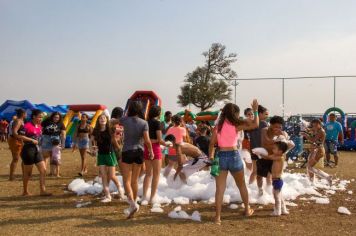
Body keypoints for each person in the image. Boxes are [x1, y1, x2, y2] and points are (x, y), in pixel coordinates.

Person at [209, 101, 260, 224]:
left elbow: (211, 144)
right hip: (234, 155)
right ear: (235, 113)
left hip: (221, 156)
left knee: (219, 189)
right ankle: (247, 209)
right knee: (241, 184)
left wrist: (211, 157)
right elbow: (255, 125)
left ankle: (217, 218)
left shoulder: (218, 127)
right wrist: (256, 110)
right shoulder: (237, 125)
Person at [120, 101, 154, 219]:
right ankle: (133, 203)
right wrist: (151, 151)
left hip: (127, 151)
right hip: (139, 152)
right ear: (141, 110)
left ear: (130, 109)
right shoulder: (144, 123)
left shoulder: (124, 120)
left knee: (126, 181)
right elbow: (147, 140)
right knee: (134, 181)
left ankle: (132, 203)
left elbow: (114, 121)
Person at [91, 113, 123, 203]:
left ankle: (120, 189)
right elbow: (92, 140)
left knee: (112, 176)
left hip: (110, 154)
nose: (102, 119)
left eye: (104, 118)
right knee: (103, 176)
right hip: (101, 155)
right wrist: (92, 148)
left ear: (106, 119)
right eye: (100, 118)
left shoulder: (110, 129)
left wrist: (119, 148)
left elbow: (114, 140)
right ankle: (108, 195)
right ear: (98, 120)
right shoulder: (95, 130)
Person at [260, 116, 295, 196]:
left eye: (280, 127)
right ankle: (262, 191)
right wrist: (277, 141)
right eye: (276, 126)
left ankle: (275, 192)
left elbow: (284, 146)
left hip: (277, 158)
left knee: (275, 175)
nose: (278, 128)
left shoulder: (283, 133)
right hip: (266, 155)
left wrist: (281, 138)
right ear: (271, 125)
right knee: (261, 176)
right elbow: (265, 142)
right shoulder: (265, 130)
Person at [142, 106, 169, 205]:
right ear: (158, 113)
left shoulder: (145, 122)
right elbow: (160, 140)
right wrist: (168, 144)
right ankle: (152, 197)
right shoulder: (157, 123)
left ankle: (144, 196)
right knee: (156, 175)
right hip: (155, 148)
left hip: (146, 147)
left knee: (148, 174)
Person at [20, 109, 51, 196]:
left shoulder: (40, 126)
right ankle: (25, 191)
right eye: (39, 117)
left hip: (37, 150)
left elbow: (39, 138)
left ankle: (43, 191)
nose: (41, 118)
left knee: (43, 170)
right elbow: (20, 136)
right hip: (28, 150)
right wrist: (31, 140)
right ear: (34, 116)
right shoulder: (27, 125)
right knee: (28, 173)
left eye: (42, 117)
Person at [256, 141, 290, 216]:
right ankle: (283, 209)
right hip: (277, 180)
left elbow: (268, 157)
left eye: (274, 149)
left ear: (280, 151)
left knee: (276, 196)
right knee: (279, 195)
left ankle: (277, 211)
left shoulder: (279, 157)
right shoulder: (279, 156)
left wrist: (260, 153)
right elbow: (268, 157)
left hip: (277, 180)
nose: (272, 150)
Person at [302, 119, 332, 185]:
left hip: (319, 151)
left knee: (310, 167)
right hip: (315, 150)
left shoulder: (321, 131)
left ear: (320, 124)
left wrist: (305, 135)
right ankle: (311, 181)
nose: (314, 127)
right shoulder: (317, 129)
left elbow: (313, 140)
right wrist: (306, 129)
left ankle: (327, 176)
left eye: (316, 125)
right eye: (313, 125)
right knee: (309, 167)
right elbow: (310, 130)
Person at [248, 105, 269, 186]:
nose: (267, 116)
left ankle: (250, 186)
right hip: (262, 151)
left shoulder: (252, 122)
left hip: (253, 150)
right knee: (267, 173)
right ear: (259, 114)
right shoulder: (264, 123)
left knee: (255, 171)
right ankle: (268, 190)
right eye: (266, 114)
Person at [8, 109, 26, 181]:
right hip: (15, 141)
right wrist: (21, 140)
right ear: (23, 114)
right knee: (16, 158)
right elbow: (14, 132)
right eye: (25, 113)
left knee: (23, 158)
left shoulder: (21, 121)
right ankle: (11, 176)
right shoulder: (18, 121)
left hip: (17, 140)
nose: (26, 115)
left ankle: (24, 175)